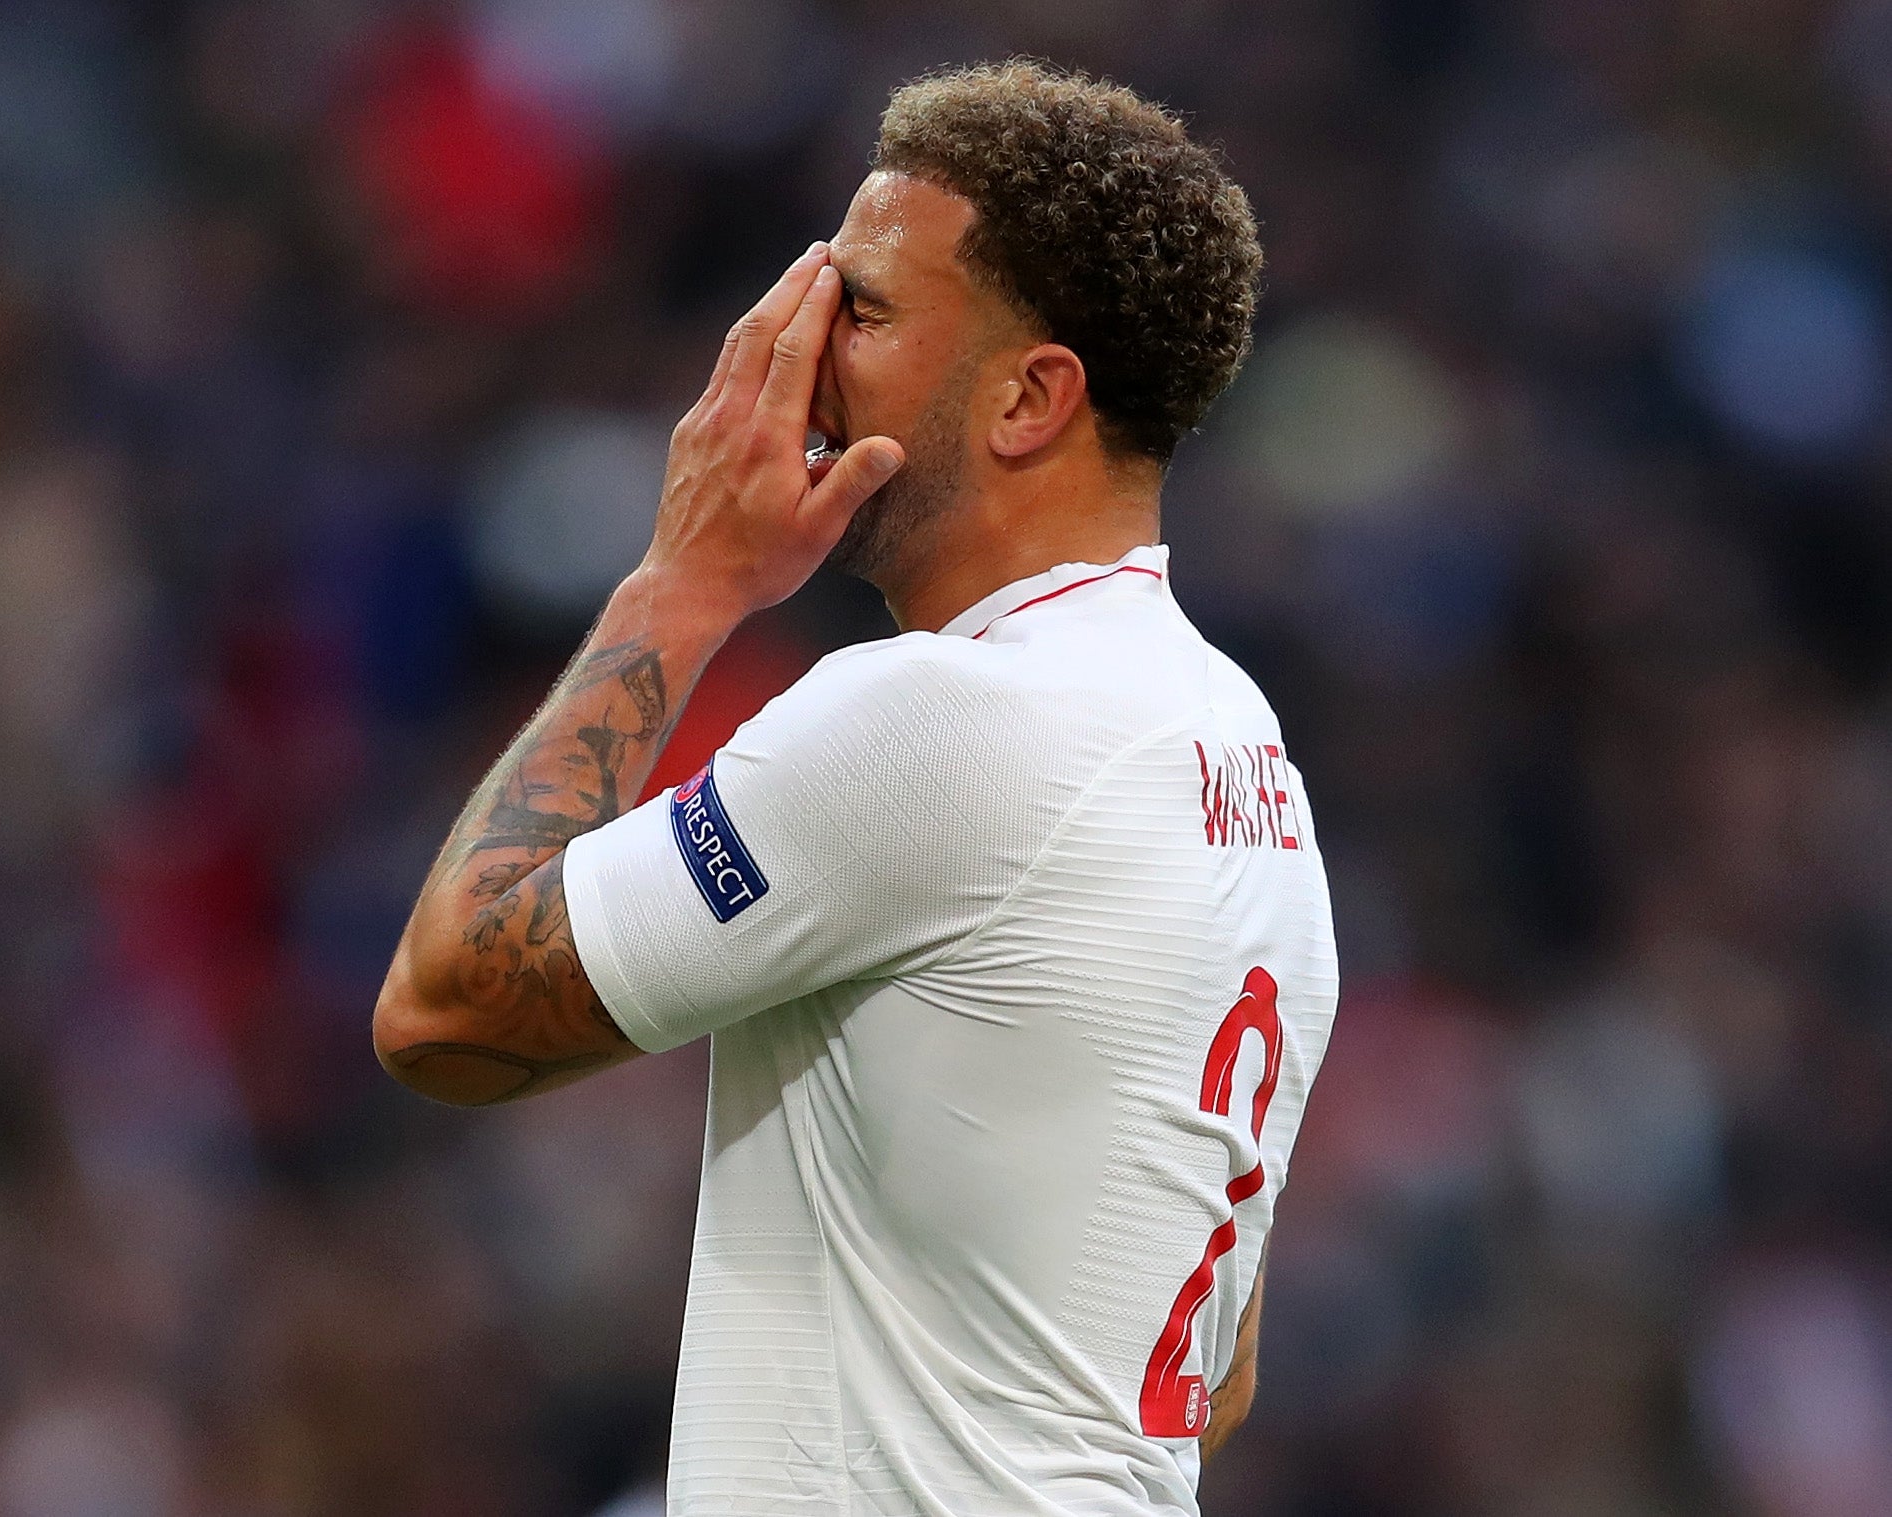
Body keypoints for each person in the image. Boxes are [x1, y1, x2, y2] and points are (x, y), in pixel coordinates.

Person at [374, 61, 1338, 1516]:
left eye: (864, 310)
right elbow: (1215, 1378)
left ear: (1030, 396)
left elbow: (445, 1007)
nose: (793, 354)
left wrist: (682, 584)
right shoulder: (1246, 754)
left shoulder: (948, 714)